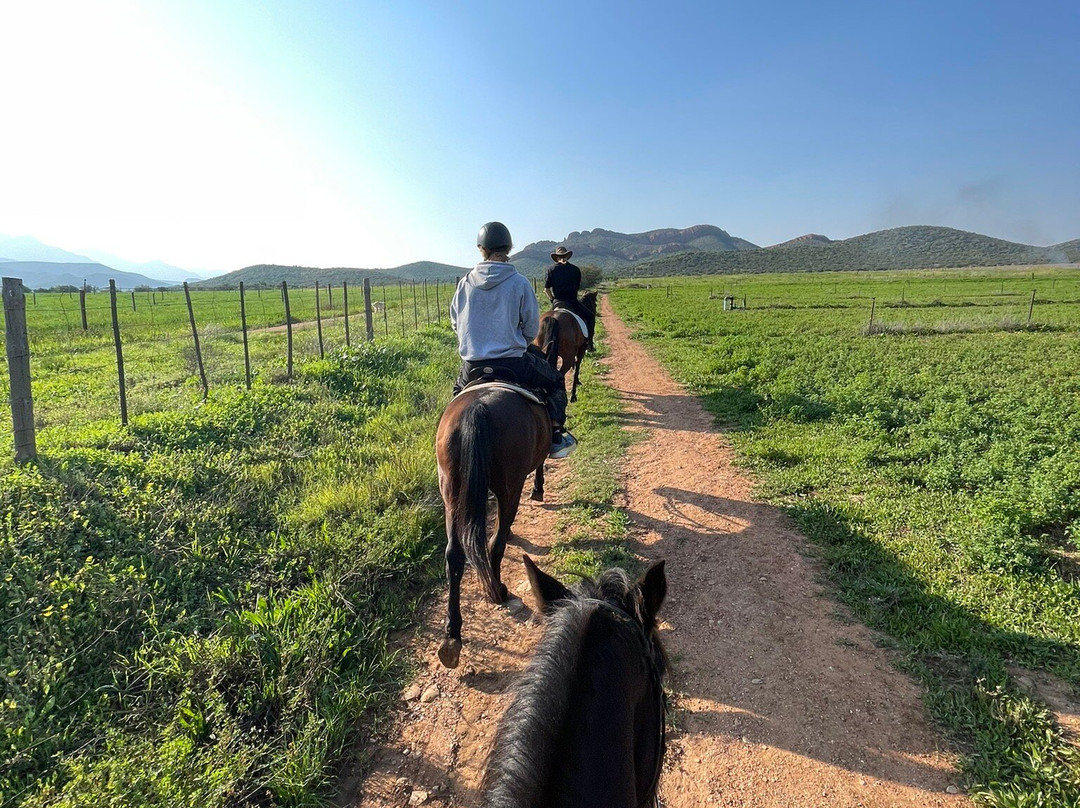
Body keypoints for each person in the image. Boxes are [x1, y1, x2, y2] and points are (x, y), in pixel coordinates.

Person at [450, 222, 577, 459]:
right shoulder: (519, 282)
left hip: (472, 367)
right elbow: (531, 330)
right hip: (514, 363)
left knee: (456, 399)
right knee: (556, 381)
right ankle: (557, 435)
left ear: (481, 249)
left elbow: (456, 324)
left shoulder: (464, 283)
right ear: (508, 248)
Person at [544, 246, 596, 351]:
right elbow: (576, 287)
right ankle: (589, 343)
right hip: (572, 302)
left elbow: (546, 289)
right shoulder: (575, 270)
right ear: (567, 256)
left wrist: (552, 300)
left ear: (557, 257)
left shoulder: (551, 269)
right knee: (590, 317)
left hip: (557, 301)